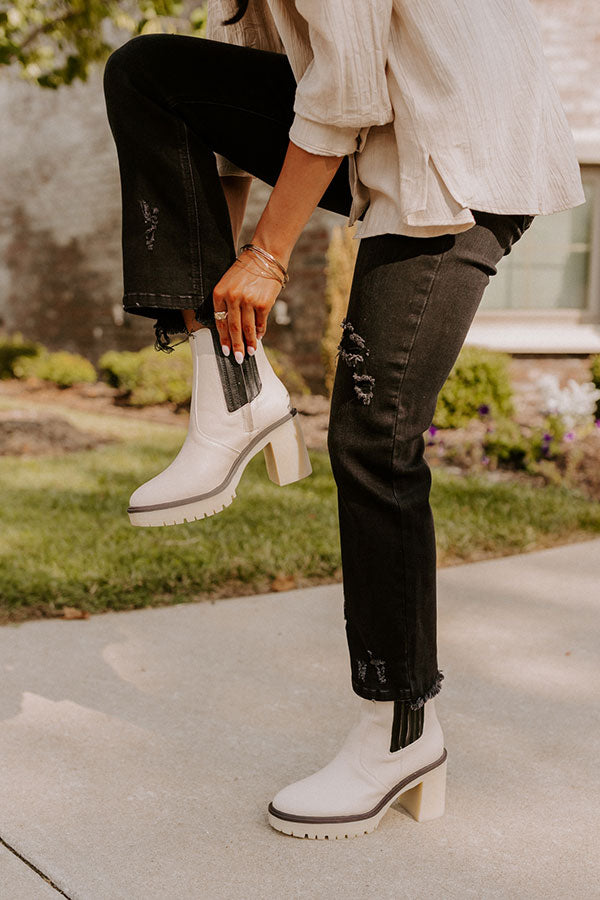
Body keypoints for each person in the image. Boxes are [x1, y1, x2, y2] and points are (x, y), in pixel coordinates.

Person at [102, 0, 585, 839]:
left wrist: (266, 256)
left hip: (458, 147)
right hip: (387, 122)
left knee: (373, 438)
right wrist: (220, 313)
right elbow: (223, 136)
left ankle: (401, 730)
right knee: (150, 73)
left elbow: (348, 87)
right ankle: (232, 390)